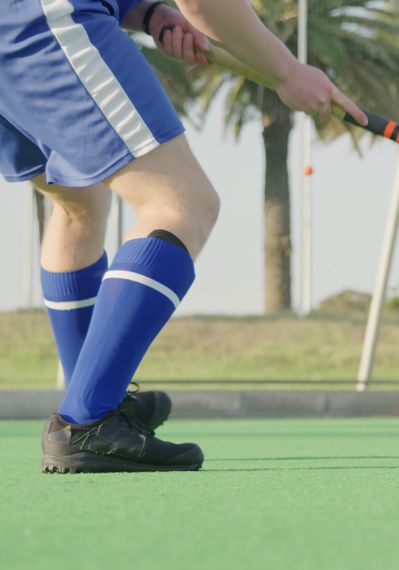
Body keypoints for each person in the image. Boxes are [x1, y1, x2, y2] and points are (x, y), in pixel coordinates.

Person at [0, 0, 366, 473]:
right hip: (42, 19)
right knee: (182, 204)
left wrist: (148, 12)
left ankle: (97, 402)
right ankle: (87, 420)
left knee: (78, 200)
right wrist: (285, 71)